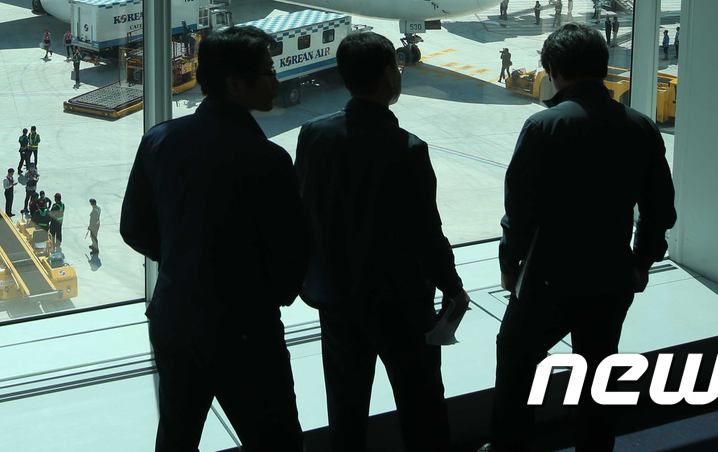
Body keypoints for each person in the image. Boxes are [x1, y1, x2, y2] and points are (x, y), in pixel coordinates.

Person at [481, 23, 676, 452]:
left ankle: (510, 445)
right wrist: (641, 261)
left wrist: (510, 265)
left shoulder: (542, 126)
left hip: (548, 277)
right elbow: (659, 208)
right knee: (598, 371)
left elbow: (520, 212)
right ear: (603, 68)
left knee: (516, 359)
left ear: (553, 70)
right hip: (610, 274)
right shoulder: (641, 127)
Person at [121, 24, 306, 451]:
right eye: (268, 72)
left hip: (174, 319)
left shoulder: (159, 140)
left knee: (177, 437)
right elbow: (291, 254)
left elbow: (134, 228)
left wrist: (185, 260)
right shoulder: (268, 159)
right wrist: (269, 293)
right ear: (236, 85)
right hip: (246, 330)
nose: (276, 80)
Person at [296, 31, 470, 452]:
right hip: (400, 302)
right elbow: (427, 232)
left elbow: (304, 210)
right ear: (388, 76)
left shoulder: (313, 135)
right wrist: (452, 287)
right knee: (421, 405)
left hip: (336, 297)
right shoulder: (407, 148)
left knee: (346, 406)